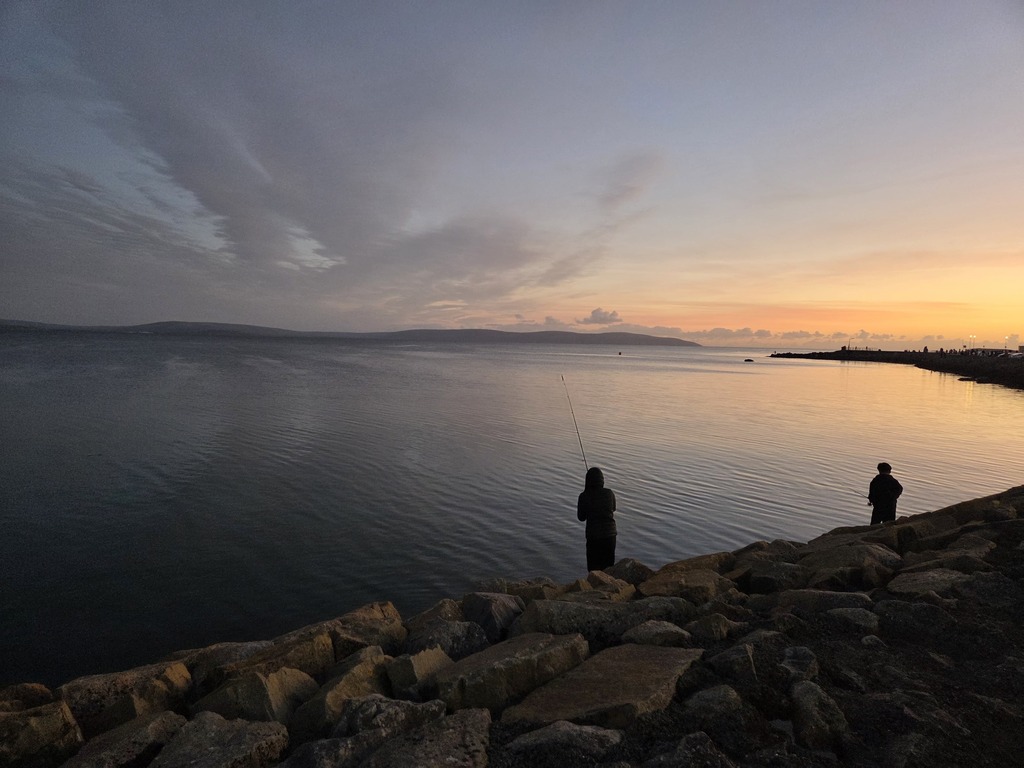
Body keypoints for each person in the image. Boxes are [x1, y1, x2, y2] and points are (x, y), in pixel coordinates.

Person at [577, 466, 617, 571]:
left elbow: (581, 517)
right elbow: (613, 508)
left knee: (593, 570)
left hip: (594, 537)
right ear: (602, 480)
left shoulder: (584, 496)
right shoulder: (609, 493)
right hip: (610, 536)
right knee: (608, 569)